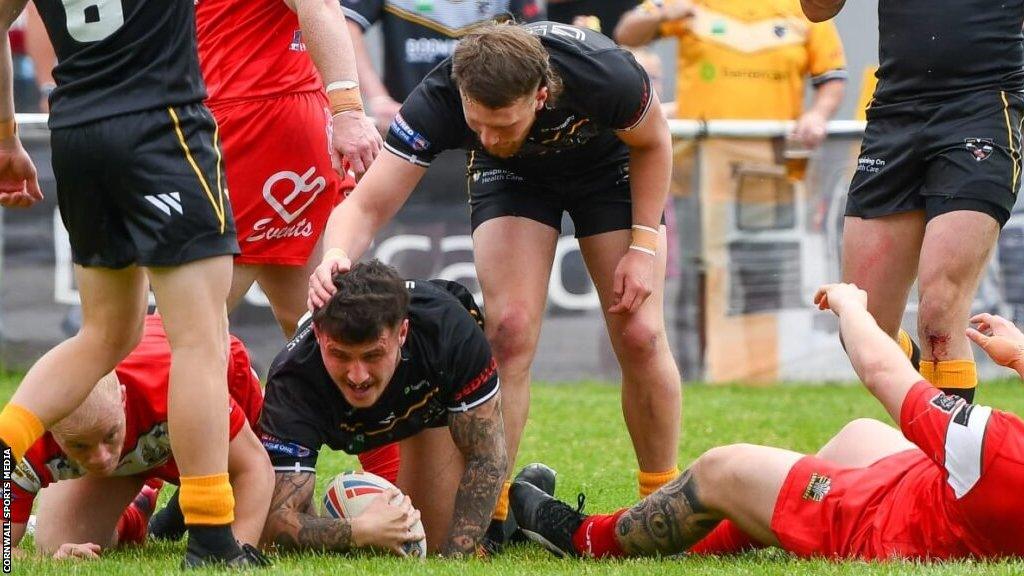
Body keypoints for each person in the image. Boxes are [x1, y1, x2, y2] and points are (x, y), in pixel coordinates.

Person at [307, 21, 683, 514]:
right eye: (476, 123)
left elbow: (654, 143)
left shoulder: (604, 76)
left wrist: (645, 247)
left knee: (640, 334)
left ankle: (661, 501)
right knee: (508, 330)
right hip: (513, 177)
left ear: (541, 95)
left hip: (609, 170)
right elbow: (366, 206)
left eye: (502, 124)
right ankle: (492, 509)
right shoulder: (441, 97)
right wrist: (335, 253)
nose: (486, 134)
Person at [0, 0, 253, 567]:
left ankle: (4, 442)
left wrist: (5, 134)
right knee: (200, 339)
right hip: (162, 124)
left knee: (106, 334)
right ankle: (212, 537)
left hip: (76, 132)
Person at [512, 283, 1024, 560]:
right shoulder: (996, 452)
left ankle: (584, 537)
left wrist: (853, 308)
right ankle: (738, 529)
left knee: (721, 468)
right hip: (937, 496)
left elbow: (880, 369)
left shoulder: (994, 448)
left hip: (886, 528)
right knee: (858, 436)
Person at [802, 0, 1023, 403]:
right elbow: (816, 9)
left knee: (940, 314)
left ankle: (951, 463)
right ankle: (933, 424)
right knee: (862, 325)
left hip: (981, 109)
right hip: (896, 114)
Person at [262, 260, 507, 556]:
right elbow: (275, 522)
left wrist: (455, 561)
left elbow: (487, 459)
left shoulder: (448, 332)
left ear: (402, 333)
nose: (358, 376)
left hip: (424, 405)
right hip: (363, 412)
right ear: (318, 334)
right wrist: (360, 530)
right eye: (339, 354)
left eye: (373, 355)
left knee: (434, 542)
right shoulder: (294, 379)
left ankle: (528, 506)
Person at [6, 315, 273, 564]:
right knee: (56, 540)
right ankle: (140, 506)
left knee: (277, 526)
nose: (101, 458)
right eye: (80, 445)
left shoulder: (176, 386)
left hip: (220, 385)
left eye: (109, 435)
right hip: (146, 430)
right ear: (50, 429)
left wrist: (237, 552)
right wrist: (45, 560)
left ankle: (180, 501)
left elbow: (254, 468)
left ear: (121, 399)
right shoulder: (27, 436)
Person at [196, 0, 381, 339]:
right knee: (319, 327)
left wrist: (348, 110)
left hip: (254, 124)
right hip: (237, 119)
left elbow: (320, 5)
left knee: (185, 335)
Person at [615, 0, 846, 148]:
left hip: (771, 161)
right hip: (700, 159)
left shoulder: (805, 7)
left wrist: (818, 114)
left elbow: (832, 75)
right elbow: (626, 34)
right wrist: (663, 12)